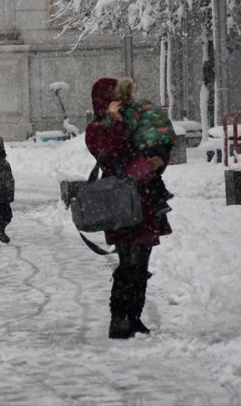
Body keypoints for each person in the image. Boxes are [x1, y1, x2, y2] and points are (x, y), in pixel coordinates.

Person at [85, 77, 173, 339]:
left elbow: (151, 150)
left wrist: (159, 160)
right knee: (128, 261)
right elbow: (110, 154)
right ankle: (118, 318)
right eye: (112, 98)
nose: (118, 103)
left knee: (142, 259)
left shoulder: (136, 121)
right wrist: (116, 124)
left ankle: (134, 316)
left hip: (146, 199)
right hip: (119, 203)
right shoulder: (96, 129)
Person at [113, 77, 175, 218]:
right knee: (152, 169)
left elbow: (128, 128)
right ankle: (162, 195)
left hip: (150, 141)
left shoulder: (128, 109)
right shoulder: (142, 103)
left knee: (146, 171)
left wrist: (117, 121)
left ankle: (160, 199)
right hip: (166, 139)